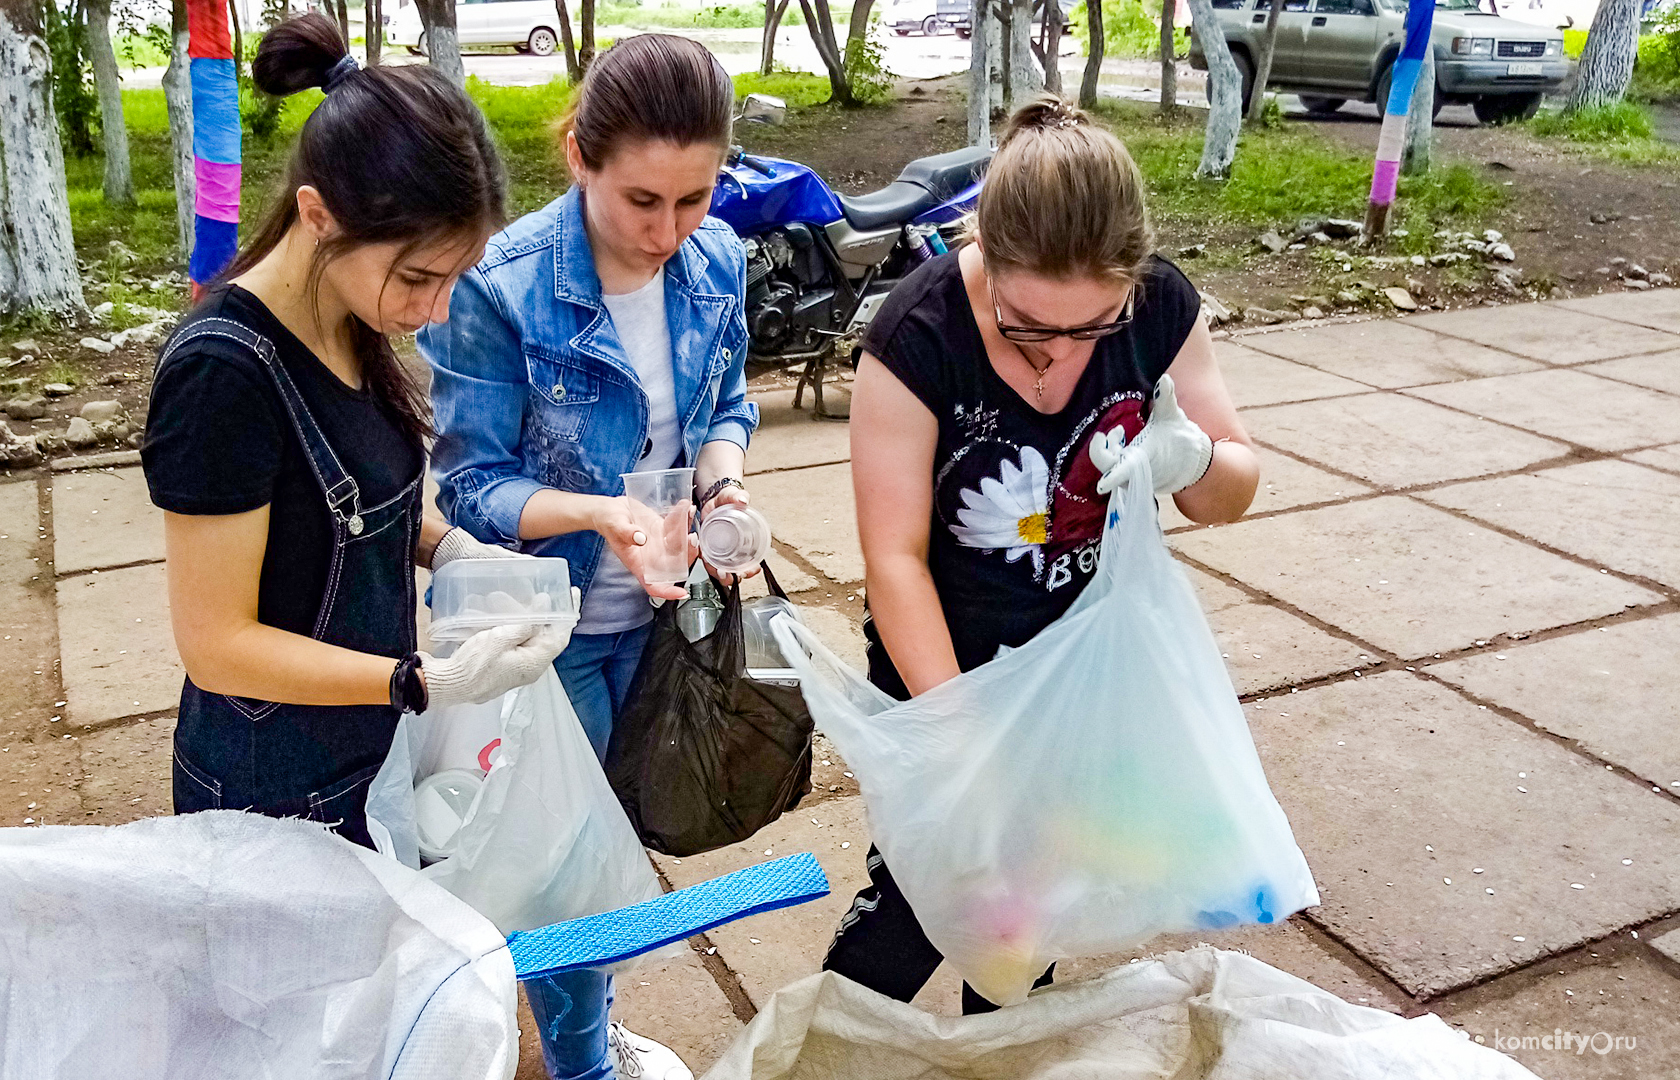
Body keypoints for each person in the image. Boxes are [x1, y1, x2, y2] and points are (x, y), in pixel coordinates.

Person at [823, 95, 1260, 1013]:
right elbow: (894, 559)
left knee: (1032, 912)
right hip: (946, 660)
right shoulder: (918, 336)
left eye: (1092, 328)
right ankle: (830, 1053)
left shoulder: (1160, 307)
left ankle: (999, 1053)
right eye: (1029, 326)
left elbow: (1231, 492)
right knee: (923, 892)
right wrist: (965, 742)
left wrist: (1199, 461)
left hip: (1081, 668)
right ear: (983, 253)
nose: (1059, 357)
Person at [142, 15, 567, 854]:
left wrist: (449, 548)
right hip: (272, 794)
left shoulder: (345, 313)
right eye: (417, 278)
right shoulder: (222, 377)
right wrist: (417, 680)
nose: (435, 309)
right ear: (318, 215)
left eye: (452, 279)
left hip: (365, 756)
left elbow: (348, 503)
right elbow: (215, 644)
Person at [417, 33, 755, 1080]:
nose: (667, 232)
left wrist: (727, 484)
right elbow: (470, 487)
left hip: (659, 615)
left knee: (609, 852)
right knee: (561, 870)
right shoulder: (500, 287)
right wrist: (603, 514)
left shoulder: (718, 262)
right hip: (543, 629)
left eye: (693, 198)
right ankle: (581, 1065)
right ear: (578, 156)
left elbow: (725, 408)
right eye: (640, 201)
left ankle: (586, 1031)